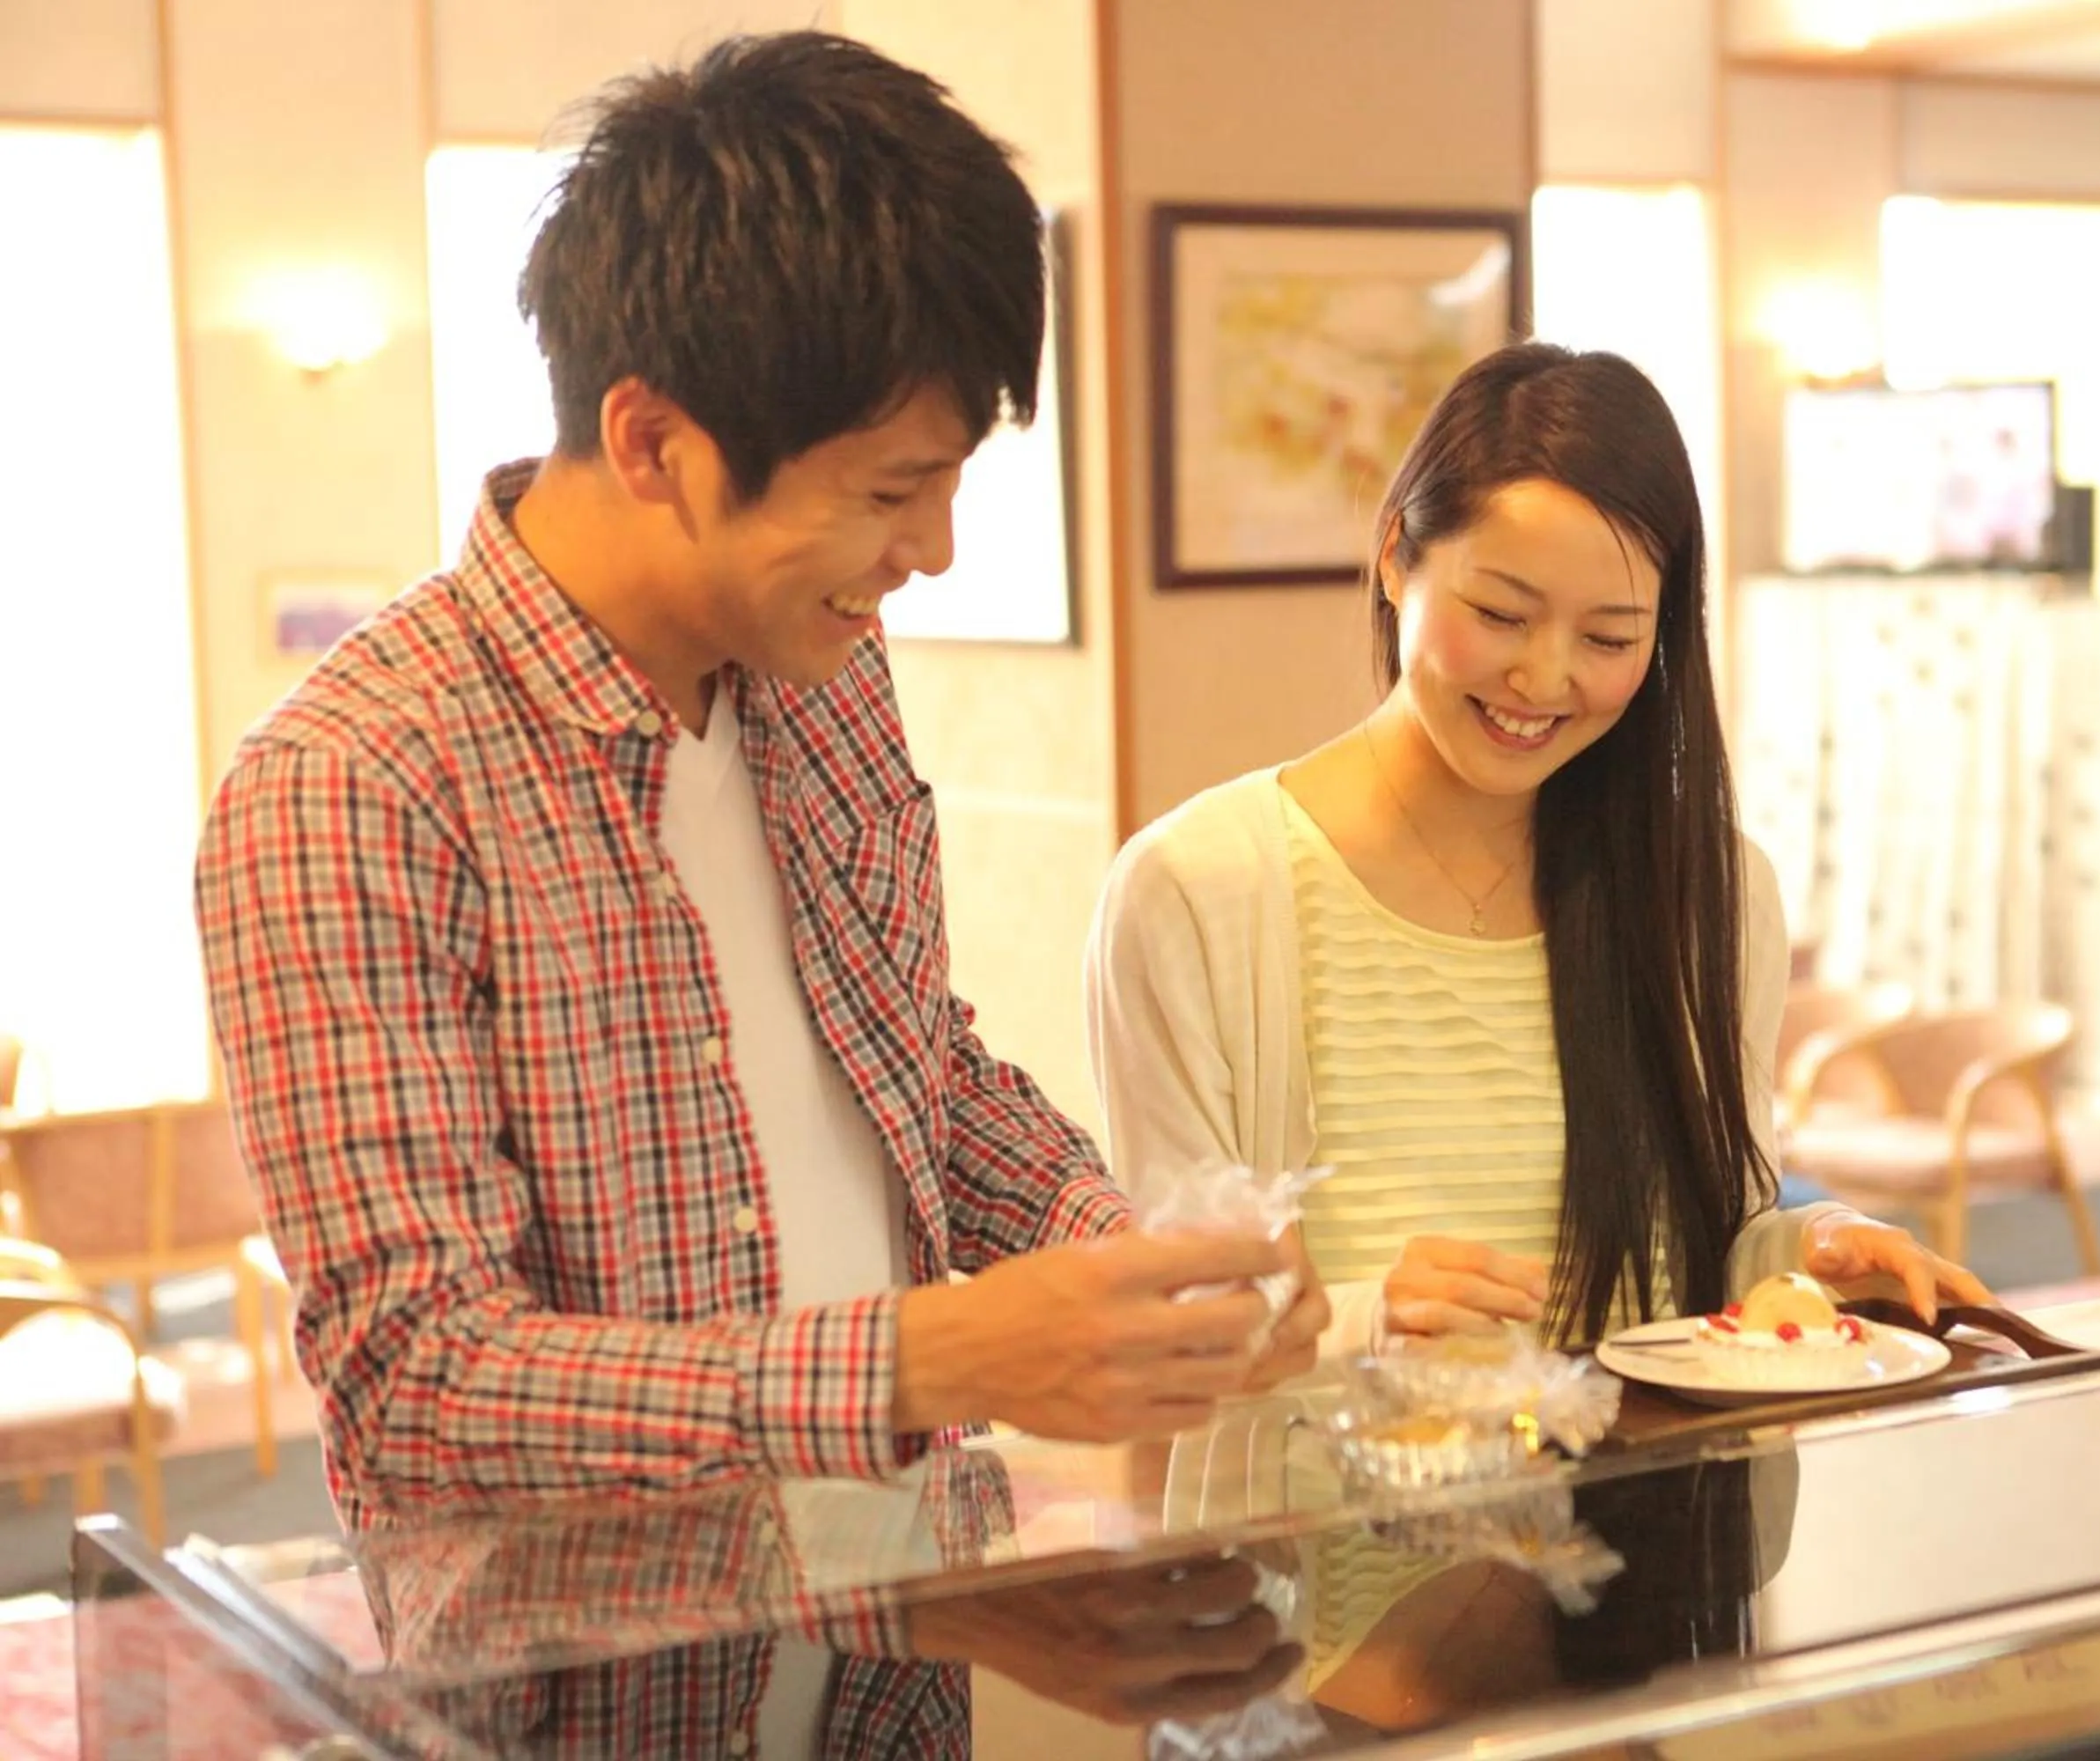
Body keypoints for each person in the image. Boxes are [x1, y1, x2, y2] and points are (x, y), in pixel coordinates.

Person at [195, 31, 1319, 1753]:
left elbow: (914, 1075)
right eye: (890, 490)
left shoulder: (824, 678)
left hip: (890, 1665)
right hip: (569, 1706)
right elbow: (420, 1385)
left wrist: (1141, 1272)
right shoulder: (354, 783)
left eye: (951, 482)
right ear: (651, 439)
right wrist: (937, 1356)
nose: (932, 549)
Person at [1087, 343, 1986, 1354]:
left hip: (1652, 1507)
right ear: (1395, 556)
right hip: (1322, 1510)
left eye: (1607, 639)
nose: (1543, 677)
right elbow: (1184, 1321)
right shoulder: (1201, 891)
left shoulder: (1706, 889)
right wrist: (1370, 1319)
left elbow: (1698, 1253)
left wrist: (1809, 1245)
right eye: (1501, 614)